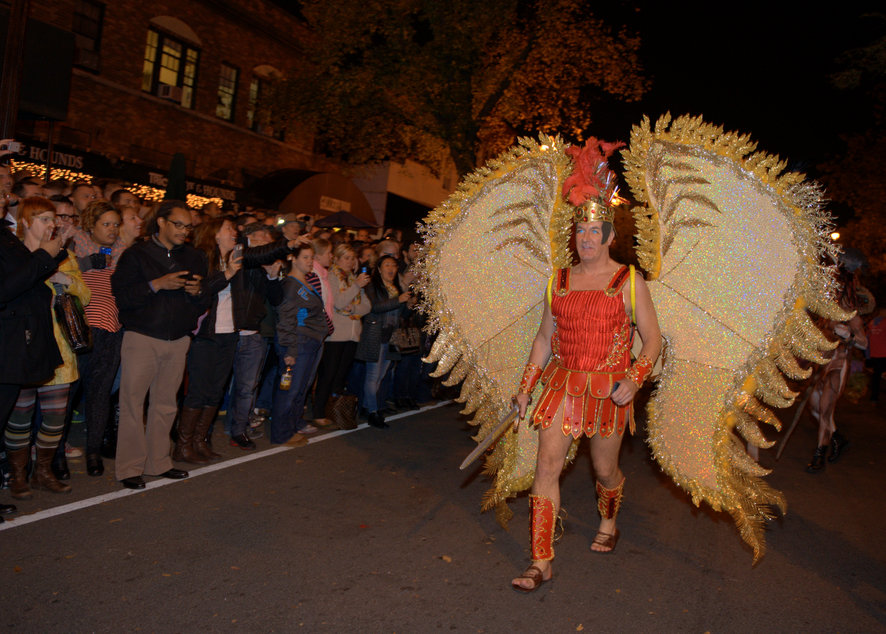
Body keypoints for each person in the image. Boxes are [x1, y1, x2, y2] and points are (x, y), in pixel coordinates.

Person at [510, 140, 661, 592]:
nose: (587, 238)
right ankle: (541, 560)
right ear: (573, 237)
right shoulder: (558, 281)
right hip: (561, 383)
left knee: (603, 470)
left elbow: (653, 340)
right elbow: (543, 338)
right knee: (546, 468)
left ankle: (609, 519)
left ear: (610, 237)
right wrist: (524, 387)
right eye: (581, 232)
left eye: (596, 232)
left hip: (610, 389)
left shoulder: (628, 281)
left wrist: (634, 381)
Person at [111, 200, 208, 489]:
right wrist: (157, 284)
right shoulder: (136, 255)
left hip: (178, 340)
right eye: (178, 225)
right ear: (161, 222)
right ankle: (129, 467)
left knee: (166, 404)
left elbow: (204, 301)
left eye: (188, 226)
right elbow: (122, 297)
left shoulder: (194, 257)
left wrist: (197, 291)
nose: (184, 231)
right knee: (132, 404)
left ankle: (159, 462)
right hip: (142, 337)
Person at [5, 197, 90, 500]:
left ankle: (44, 471)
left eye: (52, 219)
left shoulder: (64, 256)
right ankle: (18, 475)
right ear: (26, 221)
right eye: (43, 218)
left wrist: (62, 277)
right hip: (24, 347)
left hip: (59, 349)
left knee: (55, 418)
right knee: (19, 418)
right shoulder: (15, 255)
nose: (51, 224)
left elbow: (85, 295)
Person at [69, 200, 124, 477]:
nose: (113, 229)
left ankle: (93, 452)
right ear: (91, 225)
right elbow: (59, 279)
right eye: (106, 224)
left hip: (113, 328)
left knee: (100, 391)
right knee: (71, 391)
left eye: (116, 224)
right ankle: (54, 455)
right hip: (81, 327)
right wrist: (86, 264)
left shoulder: (124, 252)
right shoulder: (73, 245)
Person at [806, 258, 868, 472]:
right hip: (821, 364)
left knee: (824, 409)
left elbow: (864, 342)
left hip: (838, 366)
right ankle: (838, 438)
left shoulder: (853, 317)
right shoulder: (827, 313)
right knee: (814, 408)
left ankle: (819, 454)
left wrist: (849, 335)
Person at [270, 243, 327, 445]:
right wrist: (290, 349)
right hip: (299, 343)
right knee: (290, 389)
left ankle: (292, 425)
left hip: (310, 342)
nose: (309, 261)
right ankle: (281, 433)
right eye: (304, 257)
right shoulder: (291, 285)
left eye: (311, 257)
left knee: (300, 389)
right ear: (292, 259)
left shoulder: (305, 282)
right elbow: (286, 319)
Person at [313, 244, 371, 426]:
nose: (350, 262)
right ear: (336, 259)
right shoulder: (332, 277)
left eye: (352, 258)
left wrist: (353, 307)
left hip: (353, 334)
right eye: (346, 258)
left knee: (340, 376)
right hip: (336, 334)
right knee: (328, 374)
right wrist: (356, 287)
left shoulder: (353, 278)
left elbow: (367, 306)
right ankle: (318, 412)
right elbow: (338, 302)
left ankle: (333, 409)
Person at [355, 254, 412, 429]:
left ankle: (367, 406)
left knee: (380, 375)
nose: (391, 269)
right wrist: (399, 300)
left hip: (392, 337)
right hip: (376, 334)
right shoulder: (373, 285)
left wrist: (408, 306)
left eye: (394, 265)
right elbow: (376, 307)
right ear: (379, 269)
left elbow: (402, 315)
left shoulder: (395, 288)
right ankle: (373, 412)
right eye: (387, 265)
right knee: (373, 376)